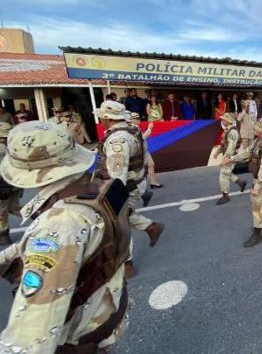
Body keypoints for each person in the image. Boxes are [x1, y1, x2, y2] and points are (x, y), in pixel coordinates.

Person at [0, 121, 130, 352]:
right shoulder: (103, 186)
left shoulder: (58, 223)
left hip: (79, 336)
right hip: (106, 309)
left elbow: (32, 334)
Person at [94, 101, 165, 277]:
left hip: (125, 186)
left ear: (108, 118)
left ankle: (126, 262)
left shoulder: (118, 140)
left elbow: (117, 175)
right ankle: (150, 227)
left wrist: (110, 196)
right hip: (135, 182)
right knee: (122, 216)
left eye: (102, 117)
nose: (100, 120)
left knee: (118, 223)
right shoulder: (132, 129)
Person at [223, 119, 262, 247]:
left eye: (256, 127)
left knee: (257, 203)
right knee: (260, 200)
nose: (254, 128)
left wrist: (257, 186)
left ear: (261, 130)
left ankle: (258, 234)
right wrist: (231, 159)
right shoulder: (258, 141)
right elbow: (247, 153)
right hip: (259, 177)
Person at [214, 113, 247, 204]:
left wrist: (226, 159)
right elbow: (223, 144)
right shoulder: (227, 130)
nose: (222, 120)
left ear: (228, 121)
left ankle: (225, 196)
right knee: (227, 172)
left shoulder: (232, 132)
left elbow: (231, 147)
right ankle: (241, 183)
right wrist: (217, 153)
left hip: (230, 156)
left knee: (223, 176)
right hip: (227, 155)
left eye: (224, 119)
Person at [130, 113, 163, 189]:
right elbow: (142, 138)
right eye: (137, 118)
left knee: (151, 164)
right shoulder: (132, 128)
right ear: (132, 120)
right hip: (138, 152)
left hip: (144, 151)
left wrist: (148, 129)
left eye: (138, 118)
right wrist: (149, 129)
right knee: (138, 169)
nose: (139, 120)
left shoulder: (136, 127)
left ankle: (153, 182)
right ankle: (135, 187)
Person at [0, 123, 21, 245]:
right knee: (13, 207)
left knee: (2, 209)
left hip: (3, 184)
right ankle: (37, 215)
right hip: (15, 183)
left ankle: (3, 234)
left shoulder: (1, 148)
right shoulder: (14, 147)